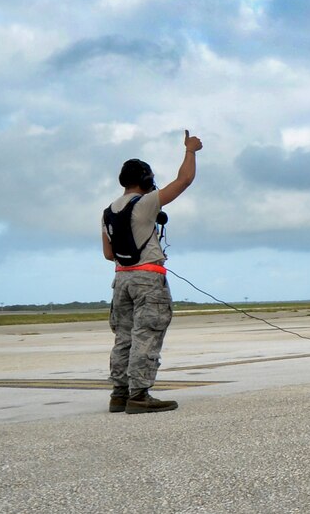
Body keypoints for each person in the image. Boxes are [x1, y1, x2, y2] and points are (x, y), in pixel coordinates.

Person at [102, 130, 201, 414]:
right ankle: (140, 395)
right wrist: (190, 151)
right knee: (147, 334)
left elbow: (109, 254)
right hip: (148, 279)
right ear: (146, 180)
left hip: (121, 279)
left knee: (124, 337)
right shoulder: (145, 203)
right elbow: (184, 181)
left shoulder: (108, 211)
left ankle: (119, 394)